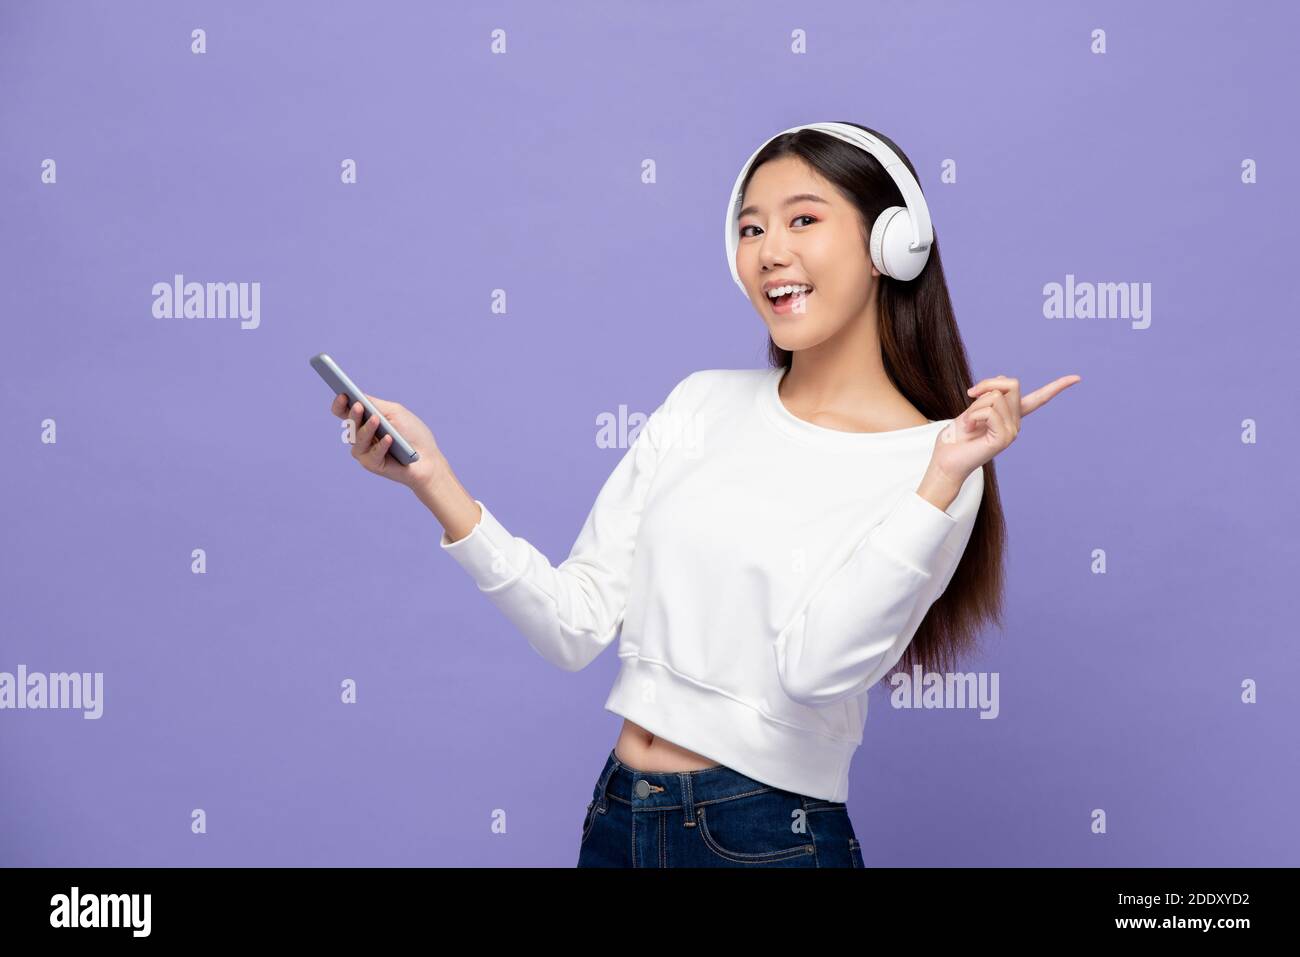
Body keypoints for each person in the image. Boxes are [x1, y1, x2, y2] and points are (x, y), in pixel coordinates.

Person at [325, 122, 1079, 867]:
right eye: (751, 228)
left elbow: (816, 672)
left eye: (803, 219)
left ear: (893, 244)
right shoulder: (700, 405)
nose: (770, 251)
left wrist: (940, 478)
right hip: (620, 816)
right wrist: (435, 480)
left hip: (765, 836)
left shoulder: (938, 464)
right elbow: (572, 624)